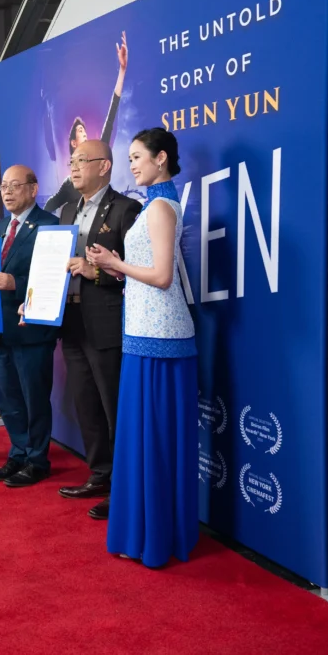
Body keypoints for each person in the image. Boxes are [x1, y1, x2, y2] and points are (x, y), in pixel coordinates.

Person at [87, 128, 198, 569]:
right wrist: (114, 270)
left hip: (161, 338)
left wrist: (115, 263)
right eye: (129, 157)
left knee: (152, 439)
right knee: (143, 438)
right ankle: (147, 533)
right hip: (143, 331)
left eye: (138, 157)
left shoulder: (161, 208)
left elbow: (163, 276)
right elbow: (148, 274)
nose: (132, 164)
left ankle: (156, 537)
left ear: (162, 158)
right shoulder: (155, 204)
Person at [55, 139, 141, 519]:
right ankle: (100, 474)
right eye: (71, 161)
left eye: (81, 160)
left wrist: (95, 273)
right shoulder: (67, 210)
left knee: (113, 407)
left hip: (106, 323)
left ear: (104, 166)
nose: (73, 167)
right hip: (70, 321)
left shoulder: (126, 209)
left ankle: (125, 486)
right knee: (86, 404)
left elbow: (137, 276)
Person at [0, 165, 60, 487]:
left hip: (32, 331)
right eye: (3, 186)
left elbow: (53, 278)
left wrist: (17, 283)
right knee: (8, 399)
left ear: (34, 189)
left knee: (34, 398)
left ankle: (38, 460)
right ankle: (18, 453)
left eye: (14, 185)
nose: (7, 192)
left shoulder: (50, 227)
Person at [44, 31, 128, 215]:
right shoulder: (68, 186)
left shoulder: (122, 208)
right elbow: (49, 206)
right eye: (80, 131)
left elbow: (112, 112)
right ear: (73, 143)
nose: (85, 134)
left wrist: (122, 71)